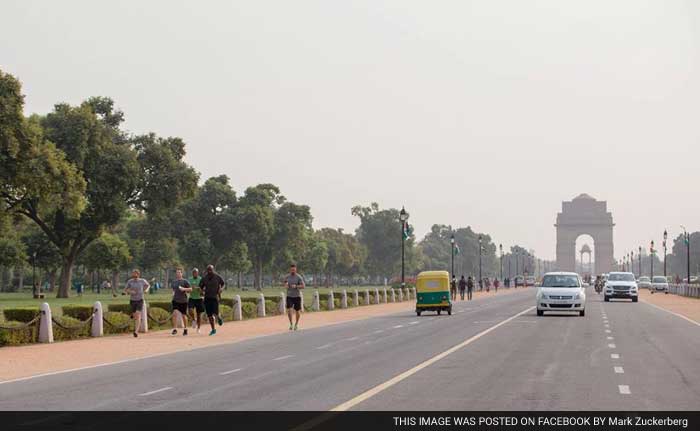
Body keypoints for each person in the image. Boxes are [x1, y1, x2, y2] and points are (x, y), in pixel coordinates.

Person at [124, 269, 150, 338]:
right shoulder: (130, 281)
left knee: (138, 314)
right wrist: (130, 291)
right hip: (132, 300)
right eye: (133, 274)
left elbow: (148, 285)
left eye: (136, 274)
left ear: (138, 274)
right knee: (135, 315)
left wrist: (146, 290)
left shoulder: (142, 281)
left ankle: (136, 331)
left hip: (140, 300)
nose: (134, 275)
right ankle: (135, 317)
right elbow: (125, 290)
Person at [200, 264, 225, 336]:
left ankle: (219, 318)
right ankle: (213, 329)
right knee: (210, 315)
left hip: (215, 297)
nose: (209, 271)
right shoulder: (204, 278)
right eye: (208, 270)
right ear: (206, 270)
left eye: (211, 270)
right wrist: (202, 291)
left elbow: (223, 284)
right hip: (207, 298)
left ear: (213, 270)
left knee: (215, 313)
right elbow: (201, 286)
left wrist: (221, 289)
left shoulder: (217, 277)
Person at [170, 268, 191, 336]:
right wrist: (172, 294)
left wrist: (184, 289)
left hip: (183, 301)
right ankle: (175, 329)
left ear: (182, 273)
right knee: (175, 313)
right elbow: (173, 290)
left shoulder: (185, 281)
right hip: (175, 300)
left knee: (183, 315)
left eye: (179, 272)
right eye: (177, 272)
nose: (178, 274)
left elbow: (190, 289)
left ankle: (185, 329)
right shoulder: (174, 282)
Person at [285, 264, 305, 331]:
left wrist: (296, 286)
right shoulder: (287, 277)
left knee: (297, 311)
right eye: (291, 270)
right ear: (290, 270)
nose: (292, 271)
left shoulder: (299, 277)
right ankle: (291, 324)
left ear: (296, 269)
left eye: (294, 270)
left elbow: (303, 286)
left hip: (297, 296)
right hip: (289, 296)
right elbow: (285, 283)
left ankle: (296, 324)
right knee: (289, 310)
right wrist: (286, 285)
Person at [187, 268, 204, 333]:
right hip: (192, 298)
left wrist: (198, 289)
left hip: (199, 298)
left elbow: (203, 290)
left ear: (198, 273)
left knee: (199, 314)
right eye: (193, 272)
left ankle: (198, 328)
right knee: (190, 310)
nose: (195, 273)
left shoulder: (200, 279)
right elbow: (188, 289)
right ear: (192, 273)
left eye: (196, 272)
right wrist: (189, 289)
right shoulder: (190, 279)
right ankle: (194, 319)